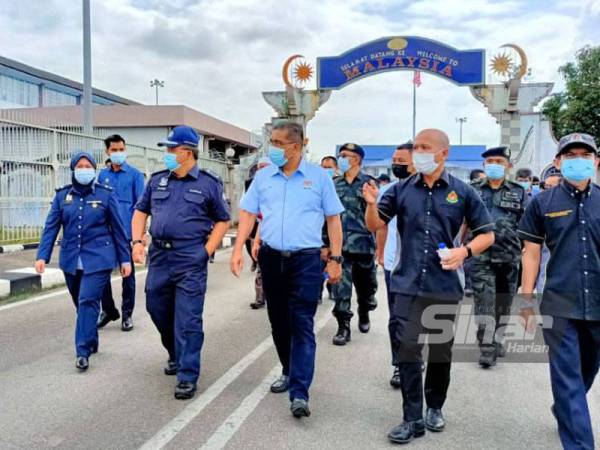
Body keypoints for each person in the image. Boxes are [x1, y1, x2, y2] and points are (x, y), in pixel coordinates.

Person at [364, 129, 494, 444]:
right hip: (406, 282)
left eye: (424, 147)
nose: (417, 152)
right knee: (407, 351)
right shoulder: (400, 190)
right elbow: (375, 224)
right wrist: (371, 204)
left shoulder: (463, 192)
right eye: (416, 147)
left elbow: (487, 234)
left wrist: (464, 252)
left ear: (443, 153)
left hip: (443, 285)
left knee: (440, 352)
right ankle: (412, 418)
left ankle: (435, 406)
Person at [230, 121, 343, 418]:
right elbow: (248, 213)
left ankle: (300, 392)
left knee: (302, 323)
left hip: (305, 260)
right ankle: (287, 369)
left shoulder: (319, 178)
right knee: (278, 321)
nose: (274, 148)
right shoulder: (264, 176)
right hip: (271, 258)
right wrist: (238, 248)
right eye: (273, 142)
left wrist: (335, 258)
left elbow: (334, 219)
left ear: (297, 146)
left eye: (279, 143)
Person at [131, 126, 231, 400]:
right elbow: (140, 211)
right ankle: (175, 351)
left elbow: (224, 219)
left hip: (190, 257)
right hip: (160, 257)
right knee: (156, 307)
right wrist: (137, 242)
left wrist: (207, 250)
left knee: (188, 319)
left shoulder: (208, 184)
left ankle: (187, 374)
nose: (167, 154)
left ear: (187, 152)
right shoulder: (157, 180)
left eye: (171, 149)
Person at [518, 132, 600, 450]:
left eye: (584, 154)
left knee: (586, 371)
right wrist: (526, 298)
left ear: (595, 161)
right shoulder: (543, 203)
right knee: (567, 379)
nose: (577, 160)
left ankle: (564, 408)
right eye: (570, 155)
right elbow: (532, 253)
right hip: (559, 303)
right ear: (557, 162)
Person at [35, 152, 131, 371]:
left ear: (94, 170)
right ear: (73, 169)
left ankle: (82, 351)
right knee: (80, 303)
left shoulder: (105, 195)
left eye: (88, 165)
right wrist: (42, 255)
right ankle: (91, 339)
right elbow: (51, 227)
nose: (84, 169)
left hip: (99, 259)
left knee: (88, 301)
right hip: (71, 259)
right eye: (80, 165)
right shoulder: (62, 197)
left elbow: (118, 229)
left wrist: (125, 259)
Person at [469, 146, 528, 367]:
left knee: (504, 301)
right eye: (490, 161)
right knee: (484, 299)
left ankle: (497, 337)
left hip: (510, 256)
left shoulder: (519, 191)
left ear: (508, 166)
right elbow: (463, 221)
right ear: (484, 165)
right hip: (481, 255)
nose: (494, 165)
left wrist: (525, 249)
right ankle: (487, 345)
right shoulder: (472, 190)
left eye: (500, 161)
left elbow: (527, 224)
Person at [374, 142, 415, 388]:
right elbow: (381, 225)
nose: (396, 165)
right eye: (394, 160)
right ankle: (400, 365)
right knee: (397, 319)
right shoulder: (389, 190)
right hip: (394, 265)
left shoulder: (435, 191)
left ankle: (416, 357)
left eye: (401, 160)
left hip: (425, 266)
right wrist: (380, 252)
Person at [97, 134, 145, 332]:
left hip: (127, 234)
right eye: (114, 150)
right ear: (107, 152)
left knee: (128, 276)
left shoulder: (135, 175)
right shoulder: (102, 176)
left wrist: (139, 238)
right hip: (105, 234)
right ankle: (108, 310)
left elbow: (141, 208)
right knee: (100, 275)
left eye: (121, 150)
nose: (118, 153)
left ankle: (127, 314)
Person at [331, 143, 378, 345]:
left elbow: (377, 217)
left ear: (356, 159)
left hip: (364, 245)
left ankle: (364, 309)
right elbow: (328, 216)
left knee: (367, 289)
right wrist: (326, 245)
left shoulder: (369, 184)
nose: (340, 158)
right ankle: (343, 326)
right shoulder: (334, 184)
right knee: (341, 289)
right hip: (340, 248)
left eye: (344, 155)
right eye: (340, 155)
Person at [245, 156, 271, 310]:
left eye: (265, 167)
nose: (261, 170)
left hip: (278, 236)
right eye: (260, 167)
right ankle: (260, 297)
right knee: (261, 269)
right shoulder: (252, 184)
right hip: (259, 228)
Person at [535, 165, 562, 294]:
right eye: (546, 187)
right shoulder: (539, 206)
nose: (548, 191)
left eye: (553, 187)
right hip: (548, 279)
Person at [319, 155, 339, 302]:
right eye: (323, 168)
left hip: (336, 234)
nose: (326, 170)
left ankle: (332, 288)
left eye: (329, 168)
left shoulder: (340, 187)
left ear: (336, 169)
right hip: (319, 237)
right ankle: (316, 294)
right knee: (317, 268)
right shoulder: (316, 186)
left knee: (333, 264)